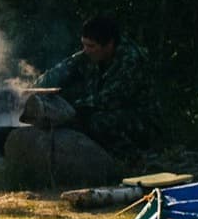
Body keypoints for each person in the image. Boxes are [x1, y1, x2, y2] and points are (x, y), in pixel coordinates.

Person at [35, 15, 158, 158]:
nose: (86, 50)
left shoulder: (132, 60)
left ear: (109, 44)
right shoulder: (92, 54)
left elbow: (110, 98)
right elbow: (59, 72)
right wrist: (30, 91)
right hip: (106, 111)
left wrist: (69, 108)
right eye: (84, 44)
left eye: (91, 46)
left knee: (95, 122)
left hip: (141, 121)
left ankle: (128, 158)